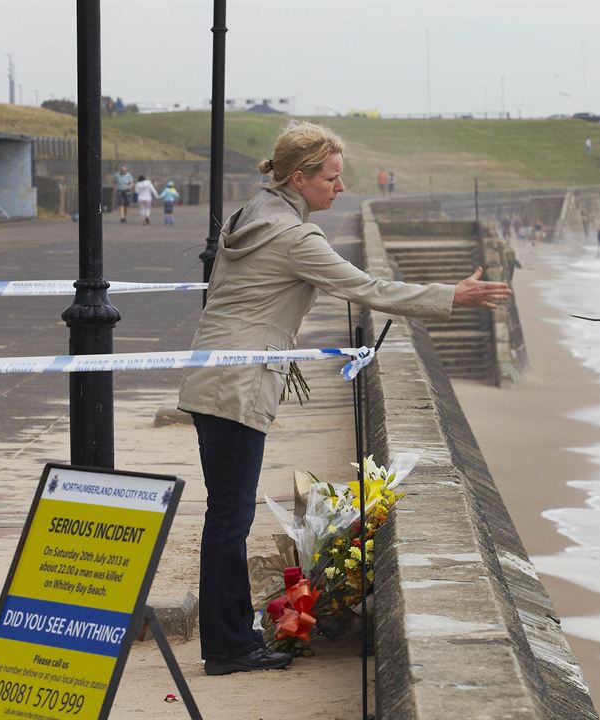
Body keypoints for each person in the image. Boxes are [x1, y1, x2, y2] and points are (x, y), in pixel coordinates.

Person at [176, 122, 510, 677]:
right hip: (238, 384)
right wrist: (451, 295)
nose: (341, 186)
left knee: (226, 516)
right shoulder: (296, 237)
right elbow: (369, 289)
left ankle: (231, 639)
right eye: (332, 177)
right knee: (229, 519)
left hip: (212, 376)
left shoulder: (252, 212)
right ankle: (230, 649)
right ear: (300, 178)